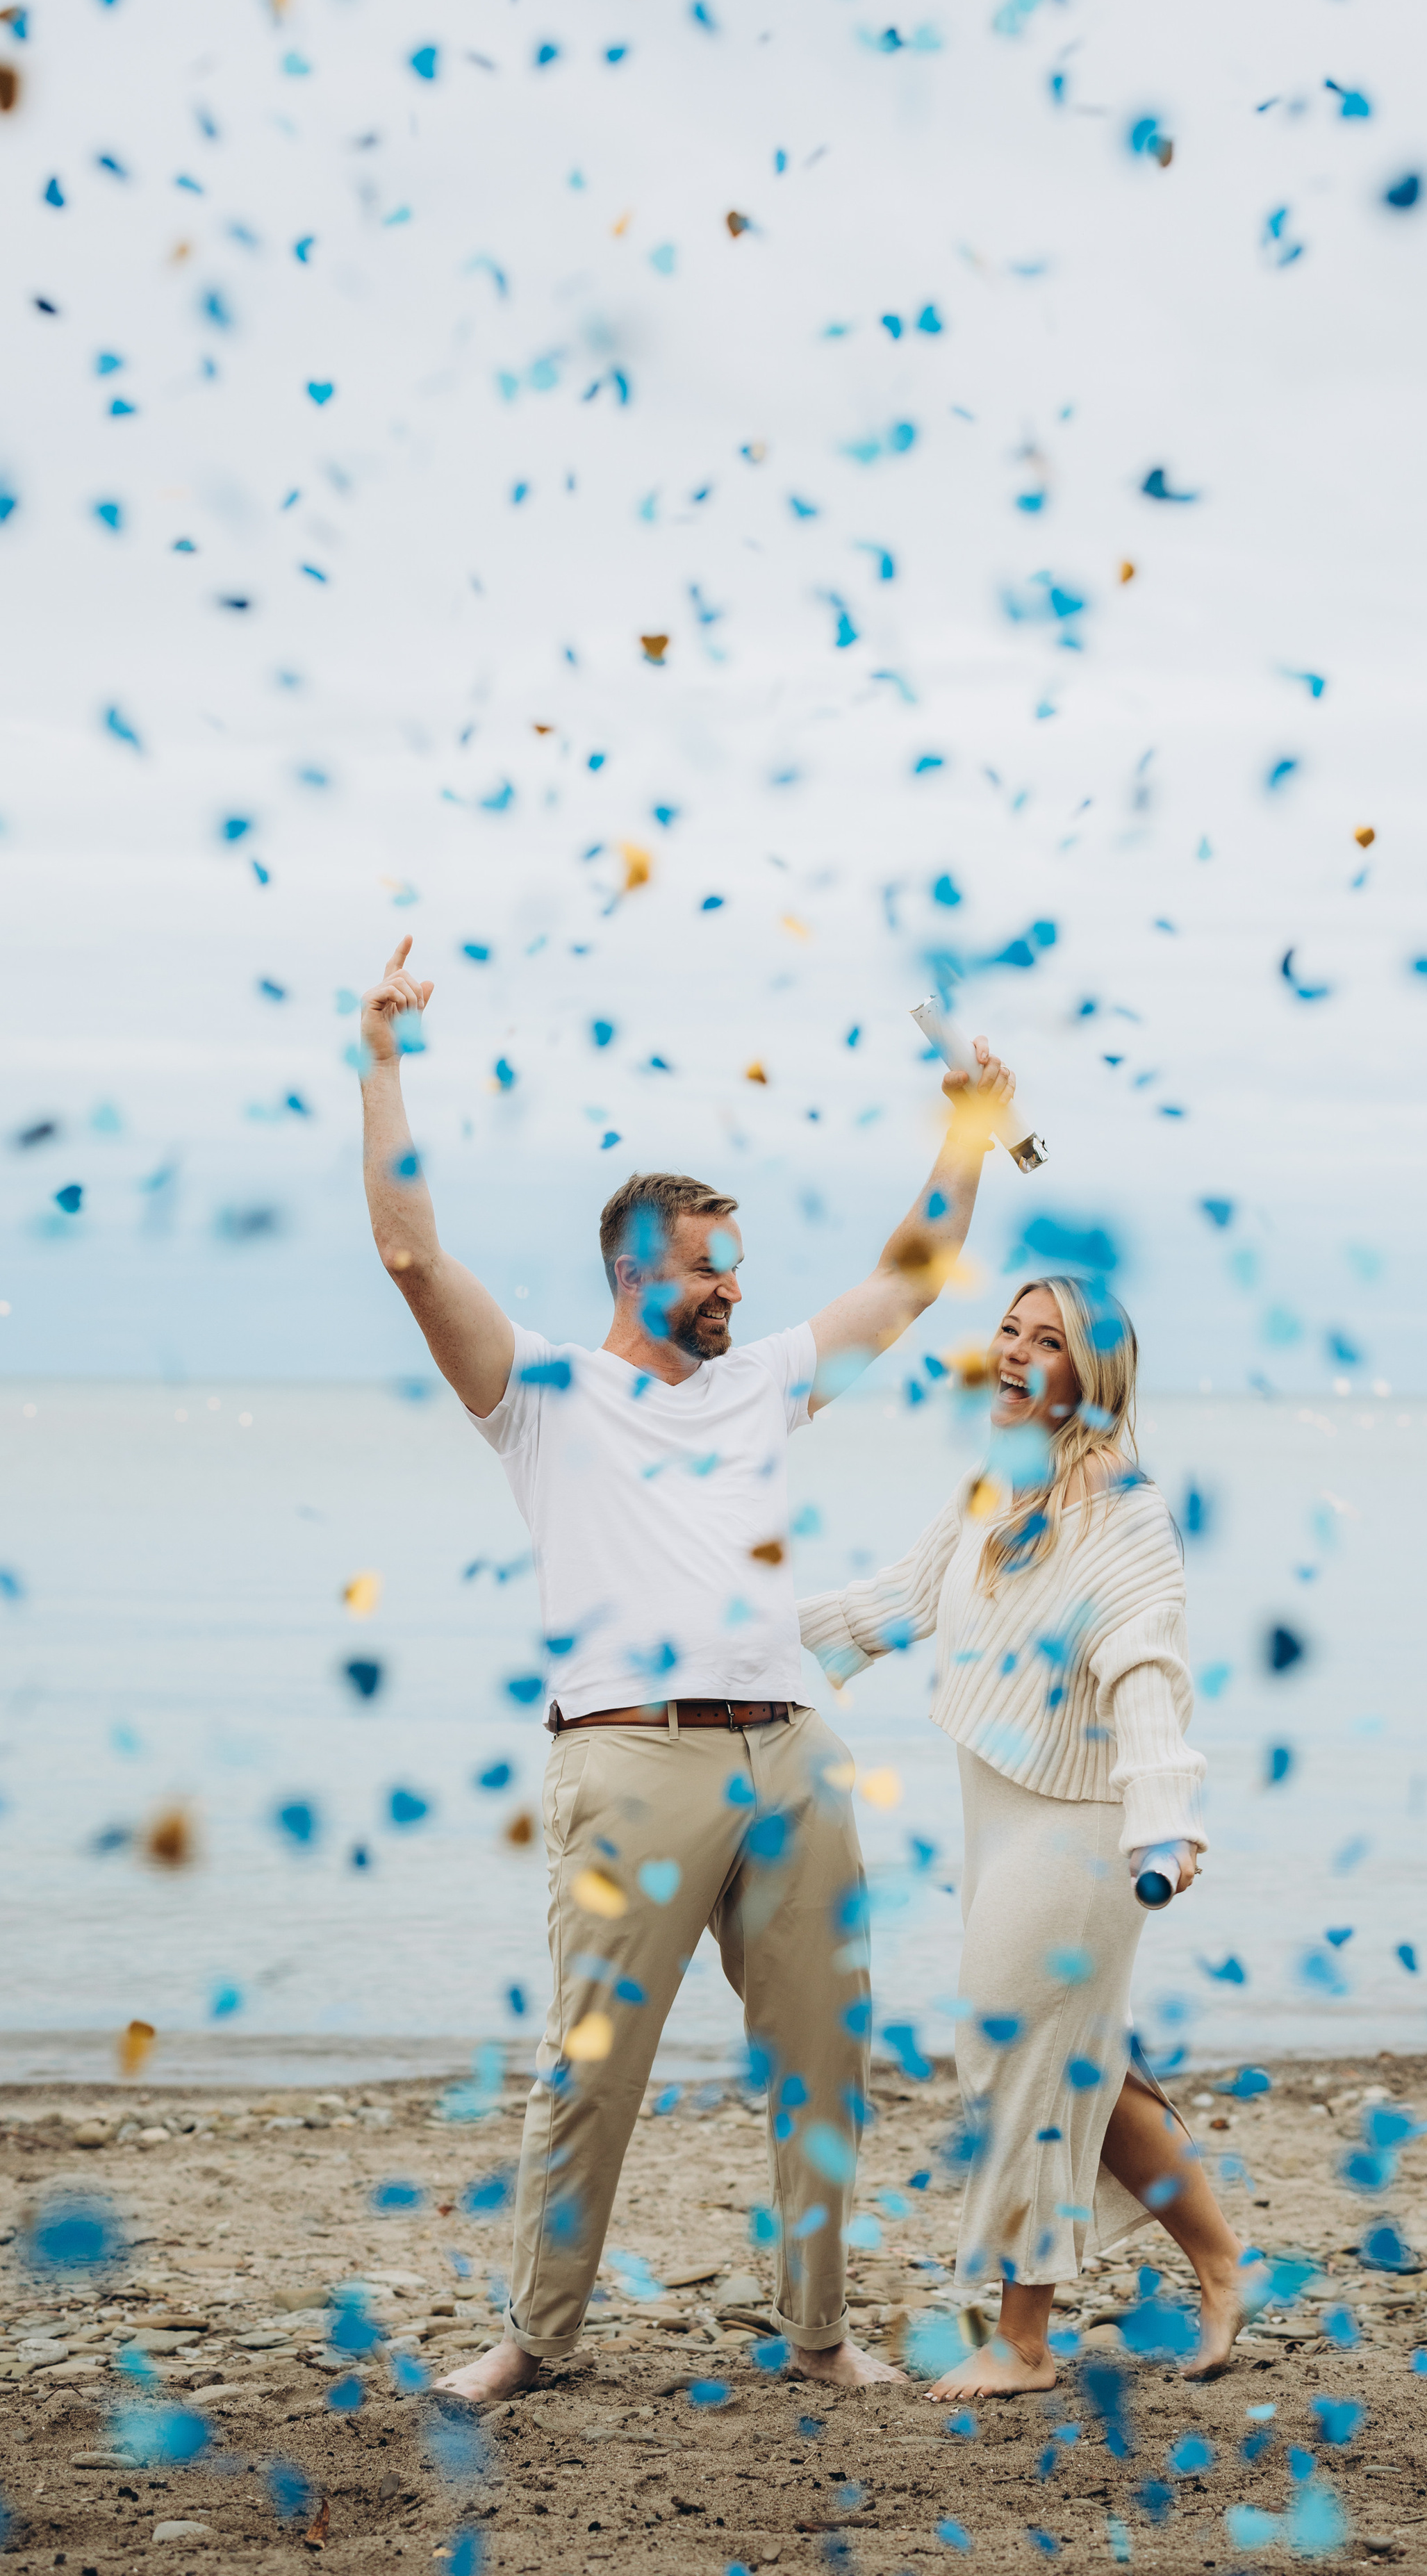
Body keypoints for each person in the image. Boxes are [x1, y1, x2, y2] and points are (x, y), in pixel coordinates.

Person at [355, 936, 1018, 2404]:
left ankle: (818, 2335)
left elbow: (909, 1281)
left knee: (822, 2065)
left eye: (739, 1267)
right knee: (589, 2066)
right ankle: (534, 2337)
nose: (734, 1289)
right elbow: (410, 1254)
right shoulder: (543, 1392)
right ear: (640, 1270)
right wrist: (384, 1061)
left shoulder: (760, 1383)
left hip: (788, 1748)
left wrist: (966, 1134)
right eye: (714, 1265)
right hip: (628, 1756)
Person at [797, 1275, 1246, 2398]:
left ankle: (1026, 2341)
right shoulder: (995, 1486)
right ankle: (1228, 2264)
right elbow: (903, 1602)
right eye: (1007, 1328)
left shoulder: (1129, 1516)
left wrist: (1165, 1822)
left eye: (1046, 1341)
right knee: (1076, 2061)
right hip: (999, 1817)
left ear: (1091, 1377)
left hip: (1089, 1835)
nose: (1012, 1352)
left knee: (1013, 2053)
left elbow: (1147, 1670)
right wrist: (741, 1635)